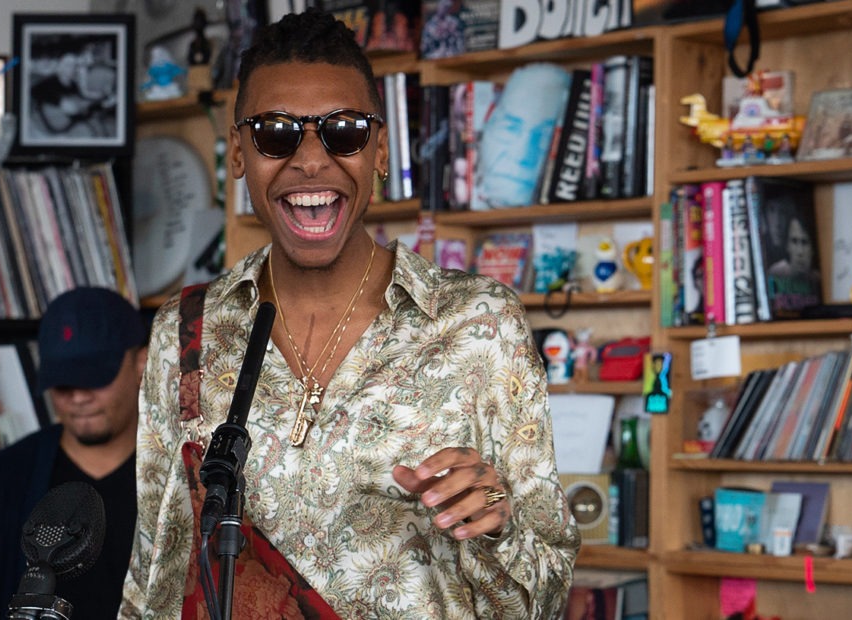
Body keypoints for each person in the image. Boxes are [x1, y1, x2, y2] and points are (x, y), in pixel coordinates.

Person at [121, 9, 579, 619]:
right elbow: (156, 574)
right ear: (237, 154)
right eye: (276, 133)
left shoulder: (480, 323)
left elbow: (544, 599)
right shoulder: (189, 331)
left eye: (344, 130)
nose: (312, 160)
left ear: (380, 150)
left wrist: (493, 525)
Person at [0, 286, 148, 619]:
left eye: (95, 378)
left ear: (142, 362)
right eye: (64, 383)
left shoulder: (184, 479)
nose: (78, 398)